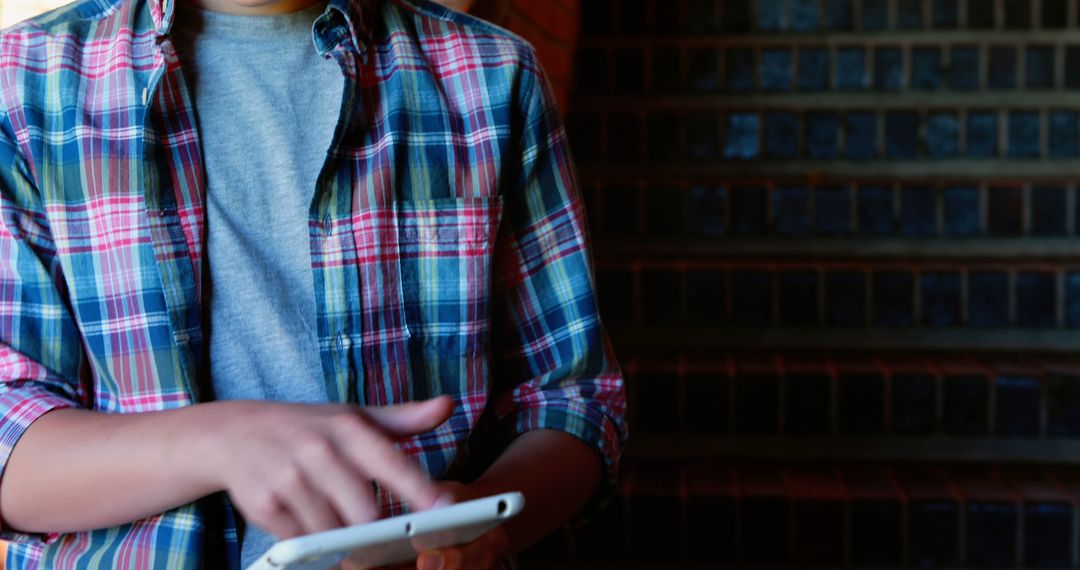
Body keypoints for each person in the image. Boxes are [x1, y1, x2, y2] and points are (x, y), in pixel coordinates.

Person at [0, 0, 628, 566]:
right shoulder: (25, 80)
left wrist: (476, 525)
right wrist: (219, 441)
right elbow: (11, 448)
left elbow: (572, 400)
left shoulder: (494, 74)